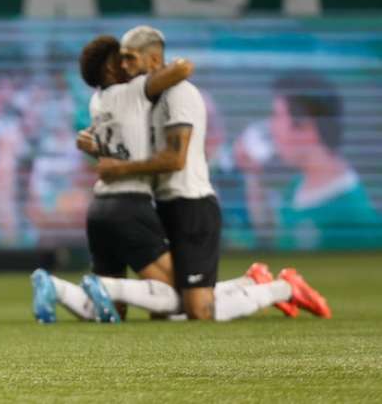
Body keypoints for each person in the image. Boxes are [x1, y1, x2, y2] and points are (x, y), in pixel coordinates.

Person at [90, 26, 331, 321]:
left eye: (129, 58)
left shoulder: (179, 94)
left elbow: (175, 159)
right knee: (169, 304)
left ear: (153, 60)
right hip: (161, 205)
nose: (123, 66)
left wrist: (121, 169)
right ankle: (250, 282)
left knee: (198, 310)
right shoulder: (145, 99)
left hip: (191, 203)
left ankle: (283, 288)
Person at [31, 34, 194, 323]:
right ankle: (95, 286)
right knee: (179, 296)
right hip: (129, 205)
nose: (126, 64)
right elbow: (182, 70)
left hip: (100, 208)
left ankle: (56, 288)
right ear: (109, 69)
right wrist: (161, 60)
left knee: (114, 308)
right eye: (121, 59)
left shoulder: (97, 101)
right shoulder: (131, 92)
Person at [235, 71, 382, 250]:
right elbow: (275, 236)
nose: (271, 128)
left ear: (308, 128)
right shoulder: (300, 183)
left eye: (277, 116)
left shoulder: (354, 218)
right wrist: (252, 174)